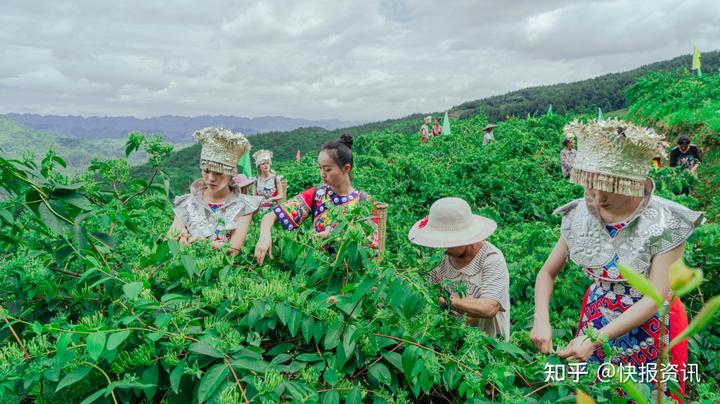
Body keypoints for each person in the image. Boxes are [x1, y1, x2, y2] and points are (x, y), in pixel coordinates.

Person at [530, 119, 703, 400]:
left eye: (607, 188)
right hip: (597, 317)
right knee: (598, 392)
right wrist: (541, 320)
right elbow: (547, 273)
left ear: (631, 183)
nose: (597, 199)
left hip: (653, 327)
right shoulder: (580, 215)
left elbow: (656, 296)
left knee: (648, 395)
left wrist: (596, 340)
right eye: (591, 187)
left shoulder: (666, 222)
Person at [254, 135, 378, 265]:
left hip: (350, 277)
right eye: (320, 168)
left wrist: (335, 237)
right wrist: (264, 236)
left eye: (327, 169)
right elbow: (270, 216)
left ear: (346, 168)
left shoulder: (365, 202)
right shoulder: (317, 195)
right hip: (316, 272)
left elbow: (372, 251)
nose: (322, 174)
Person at [408, 197, 510, 341]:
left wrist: (447, 300)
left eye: (449, 241)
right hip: (451, 344)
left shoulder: (491, 259)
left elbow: (489, 307)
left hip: (488, 347)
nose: (443, 247)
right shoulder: (438, 261)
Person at [168, 127, 263, 256]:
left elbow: (234, 250)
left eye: (218, 173)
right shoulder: (186, 203)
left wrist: (202, 243)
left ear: (230, 173)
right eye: (206, 171)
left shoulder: (244, 205)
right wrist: (180, 236)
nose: (211, 178)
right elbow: (172, 235)